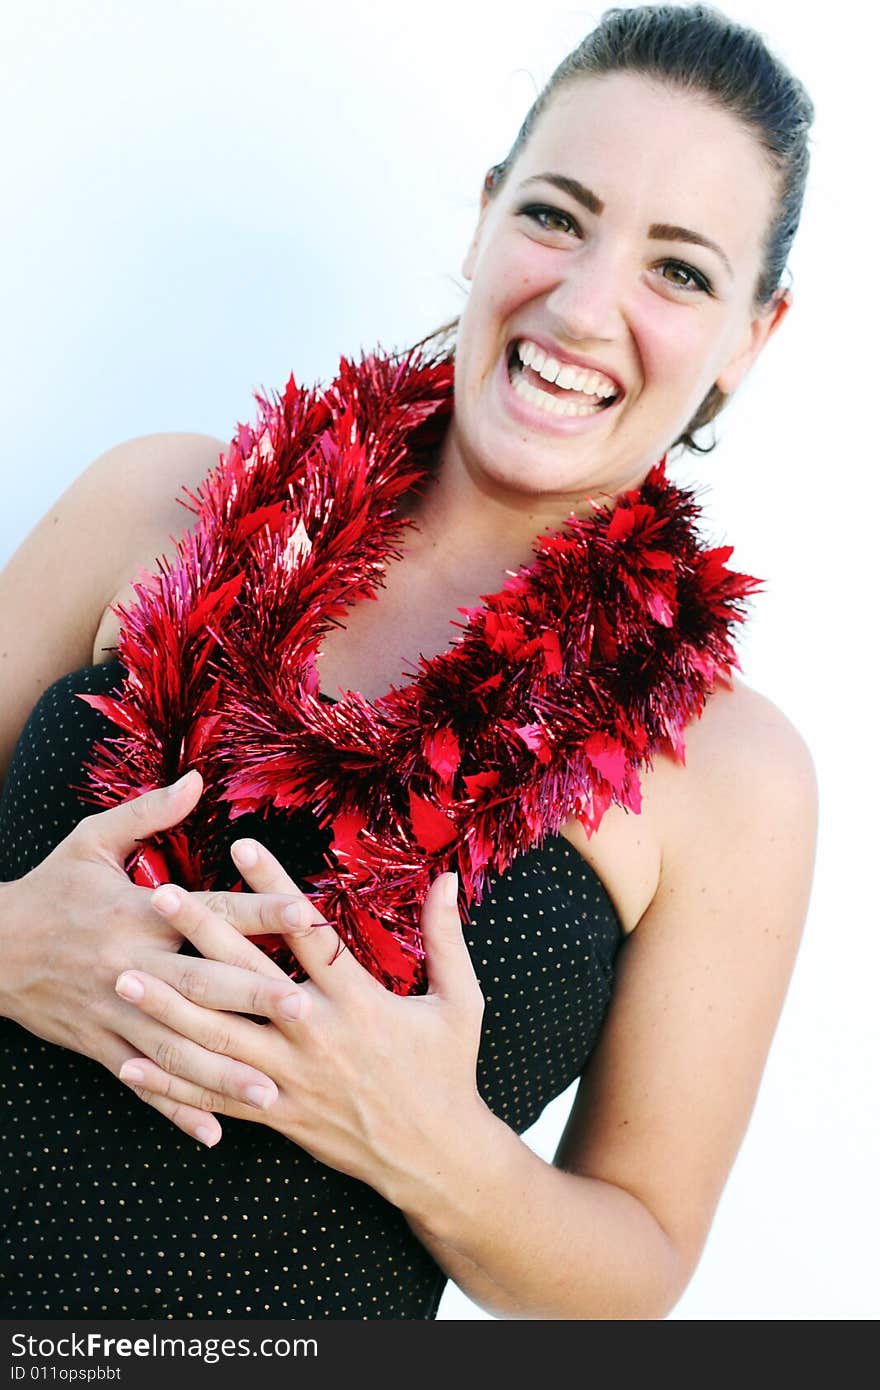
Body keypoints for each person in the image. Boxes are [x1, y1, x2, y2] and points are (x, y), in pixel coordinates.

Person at [0, 3, 818, 1320]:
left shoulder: (731, 774)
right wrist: (12, 944)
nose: (588, 301)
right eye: (556, 215)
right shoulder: (152, 503)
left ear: (752, 336)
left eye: (680, 270)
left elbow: (638, 1264)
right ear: (485, 217)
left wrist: (434, 1146)